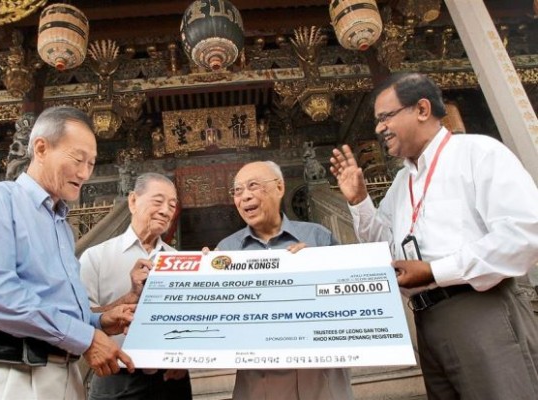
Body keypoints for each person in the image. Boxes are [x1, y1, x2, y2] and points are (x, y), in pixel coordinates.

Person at [329, 72, 538, 400]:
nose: (379, 128)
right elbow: (384, 246)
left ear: (422, 109)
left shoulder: (477, 153)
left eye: (385, 117)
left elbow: (524, 235)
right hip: (427, 320)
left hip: (478, 308)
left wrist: (435, 270)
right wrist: (358, 201)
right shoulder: (401, 184)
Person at [0, 106, 136, 400]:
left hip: (65, 373)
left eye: (91, 163)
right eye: (78, 159)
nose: (85, 173)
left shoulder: (62, 226)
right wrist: (86, 337)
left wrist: (99, 323)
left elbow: (55, 308)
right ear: (41, 148)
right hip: (9, 372)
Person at [216, 160, 353, 400]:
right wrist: (204, 277)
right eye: (237, 191)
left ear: (279, 188)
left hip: (321, 377)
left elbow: (351, 300)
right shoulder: (225, 251)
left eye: (253, 186)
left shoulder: (317, 237)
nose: (244, 196)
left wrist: (320, 270)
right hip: (259, 382)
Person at [80, 172, 192, 400]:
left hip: (171, 377)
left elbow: (189, 317)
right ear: (132, 201)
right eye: (158, 201)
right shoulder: (96, 257)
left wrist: (186, 355)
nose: (166, 210)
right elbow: (79, 318)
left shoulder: (179, 260)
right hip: (116, 375)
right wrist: (129, 296)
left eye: (172, 205)